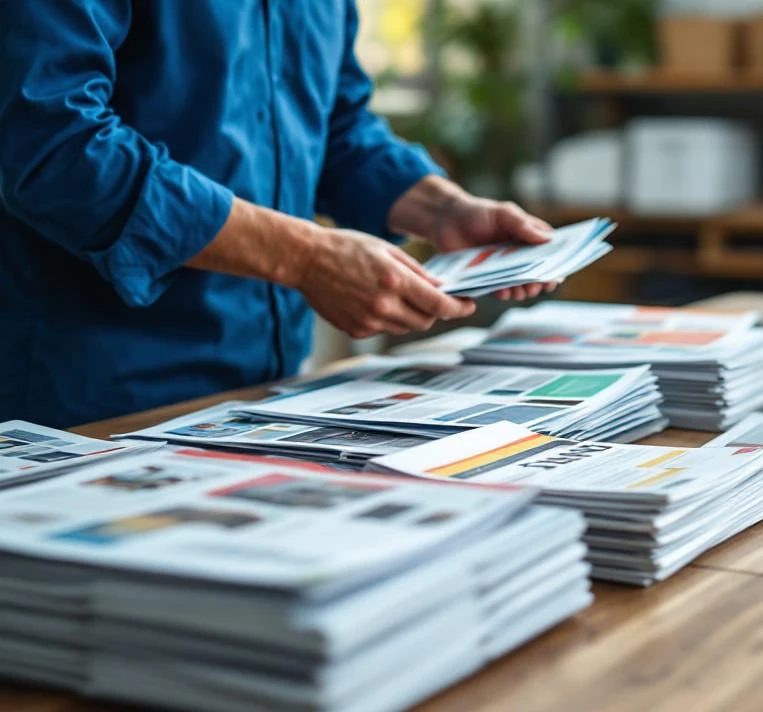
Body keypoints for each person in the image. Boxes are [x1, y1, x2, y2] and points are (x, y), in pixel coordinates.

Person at [0, 1, 555, 429]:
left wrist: (444, 208)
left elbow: (336, 129)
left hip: (272, 391)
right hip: (89, 400)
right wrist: (307, 256)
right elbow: (54, 145)